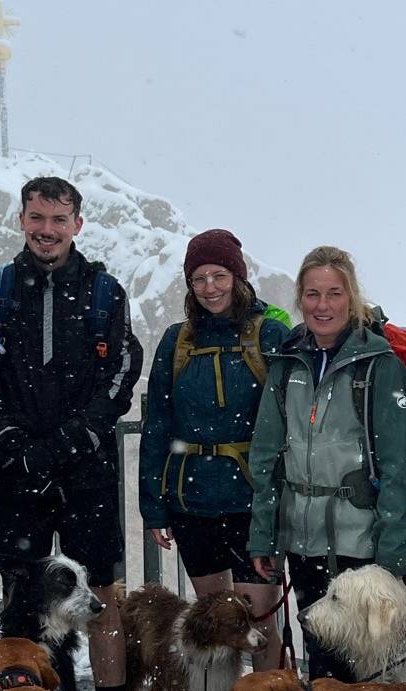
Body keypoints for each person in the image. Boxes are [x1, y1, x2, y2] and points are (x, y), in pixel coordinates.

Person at [0, 176, 142, 691]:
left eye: (59, 220)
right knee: (21, 594)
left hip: (88, 473)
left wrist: (69, 441)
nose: (47, 230)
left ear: (77, 225)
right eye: (37, 218)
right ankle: (23, 684)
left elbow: (122, 372)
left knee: (100, 592)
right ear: (21, 220)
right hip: (17, 473)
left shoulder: (106, 293)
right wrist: (16, 445)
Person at [246, 245, 406, 681]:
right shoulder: (287, 363)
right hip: (303, 540)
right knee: (324, 664)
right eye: (313, 294)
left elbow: (398, 467)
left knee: (374, 670)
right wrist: (264, 535)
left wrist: (391, 557)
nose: (323, 306)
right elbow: (266, 456)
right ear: (300, 298)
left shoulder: (379, 365)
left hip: (361, 545)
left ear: (351, 297)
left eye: (334, 294)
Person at [138, 229, 291, 671]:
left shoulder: (270, 335)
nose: (209, 288)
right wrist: (155, 507)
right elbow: (159, 425)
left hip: (253, 500)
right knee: (219, 625)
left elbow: (290, 422)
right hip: (193, 499)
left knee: (258, 626)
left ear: (238, 277)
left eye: (219, 275)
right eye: (199, 278)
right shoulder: (177, 340)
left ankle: (270, 684)